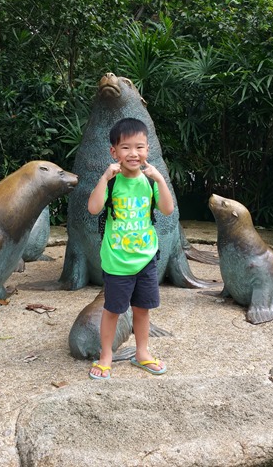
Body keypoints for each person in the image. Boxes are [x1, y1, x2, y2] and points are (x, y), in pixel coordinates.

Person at [87, 117, 174, 380]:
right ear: (114, 152)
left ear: (148, 150)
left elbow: (167, 209)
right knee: (113, 310)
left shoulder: (149, 182)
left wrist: (160, 179)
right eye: (125, 147)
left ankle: (142, 353)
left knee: (142, 309)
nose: (133, 153)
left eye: (139, 147)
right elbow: (94, 208)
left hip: (145, 258)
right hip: (117, 260)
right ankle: (105, 356)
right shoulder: (112, 182)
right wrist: (104, 177)